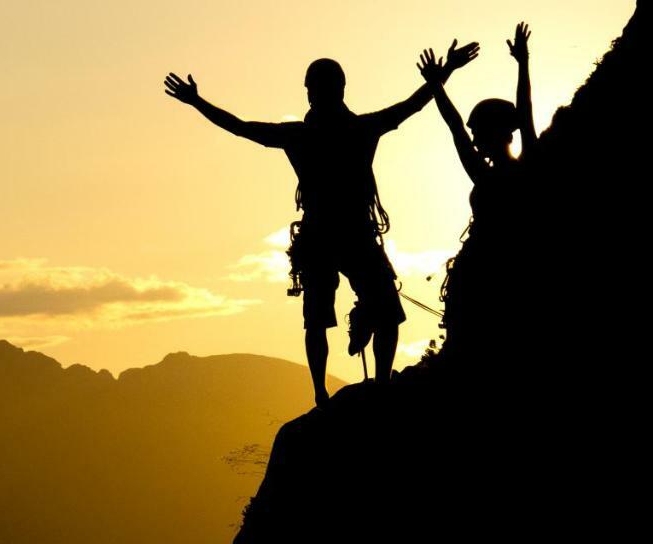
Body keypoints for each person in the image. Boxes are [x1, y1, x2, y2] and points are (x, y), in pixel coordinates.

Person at [164, 41, 478, 405]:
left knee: (333, 314)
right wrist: (446, 72)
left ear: (320, 91)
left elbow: (240, 128)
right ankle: (368, 386)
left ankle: (326, 392)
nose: (311, 94)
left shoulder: (302, 135)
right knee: (378, 310)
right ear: (341, 89)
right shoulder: (355, 129)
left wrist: (197, 102)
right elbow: (410, 106)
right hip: (350, 233)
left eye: (313, 88)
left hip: (324, 236)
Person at [419, 24, 534, 360]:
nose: (473, 139)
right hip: (497, 271)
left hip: (492, 273)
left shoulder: (493, 175)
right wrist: (436, 85)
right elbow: (459, 126)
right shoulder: (511, 170)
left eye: (478, 133)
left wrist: (437, 84)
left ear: (495, 133)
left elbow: (522, 112)